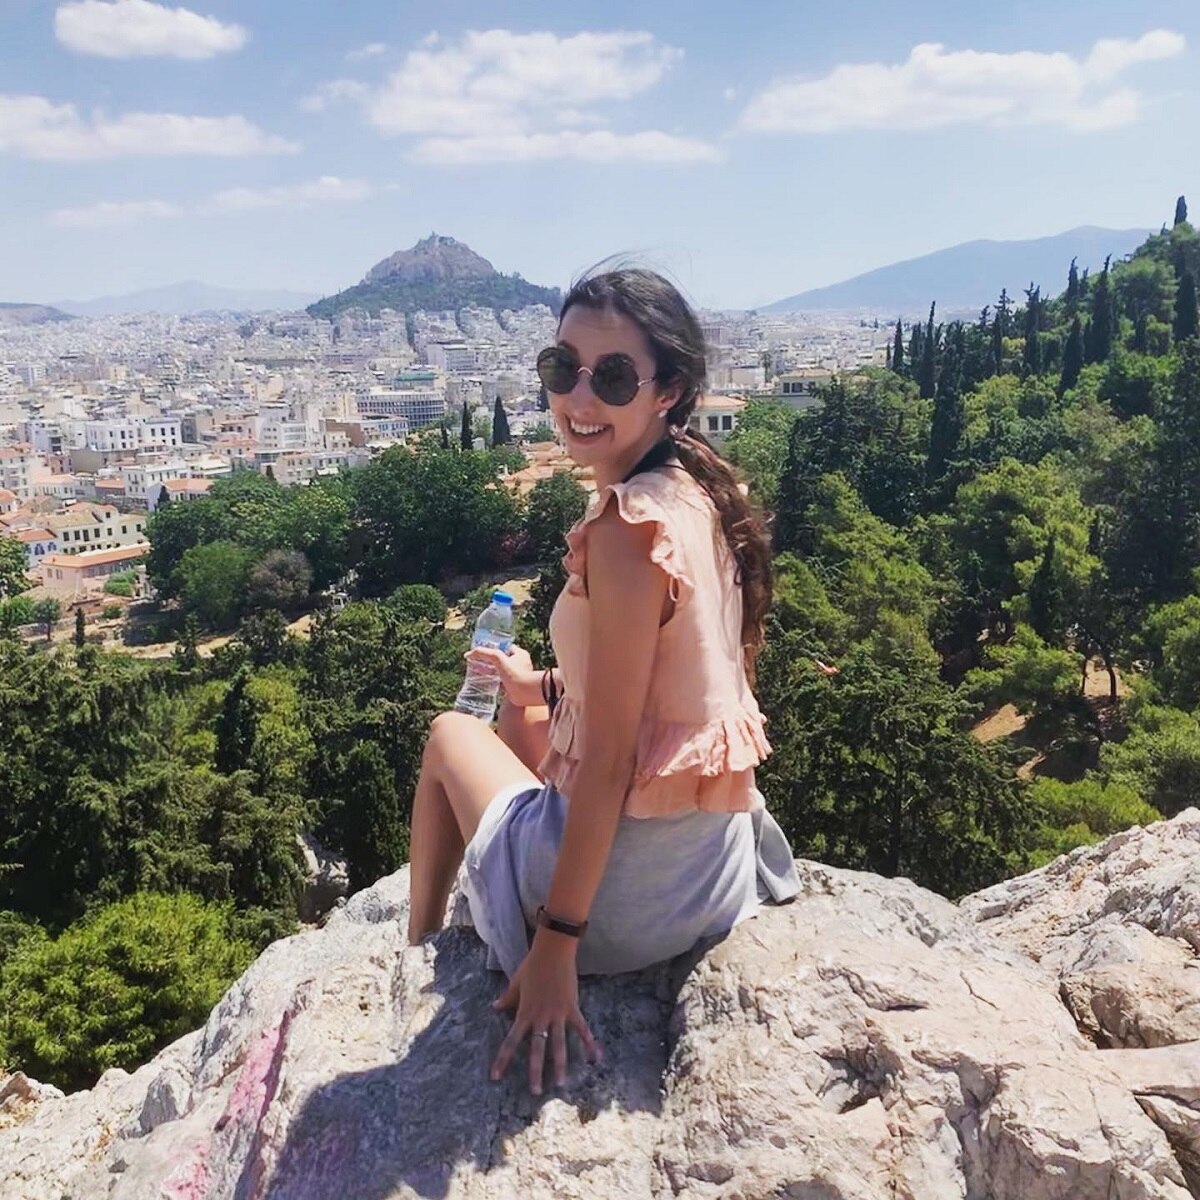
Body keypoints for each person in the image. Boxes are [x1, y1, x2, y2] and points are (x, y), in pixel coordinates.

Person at [405, 266, 801, 1097]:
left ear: (668, 391)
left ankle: (418, 951)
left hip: (625, 909)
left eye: (613, 377)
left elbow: (615, 758)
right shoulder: (699, 490)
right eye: (563, 368)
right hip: (708, 871)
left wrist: (557, 945)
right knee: (519, 722)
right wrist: (545, 688)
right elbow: (667, 688)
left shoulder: (628, 529)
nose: (579, 397)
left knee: (450, 735)